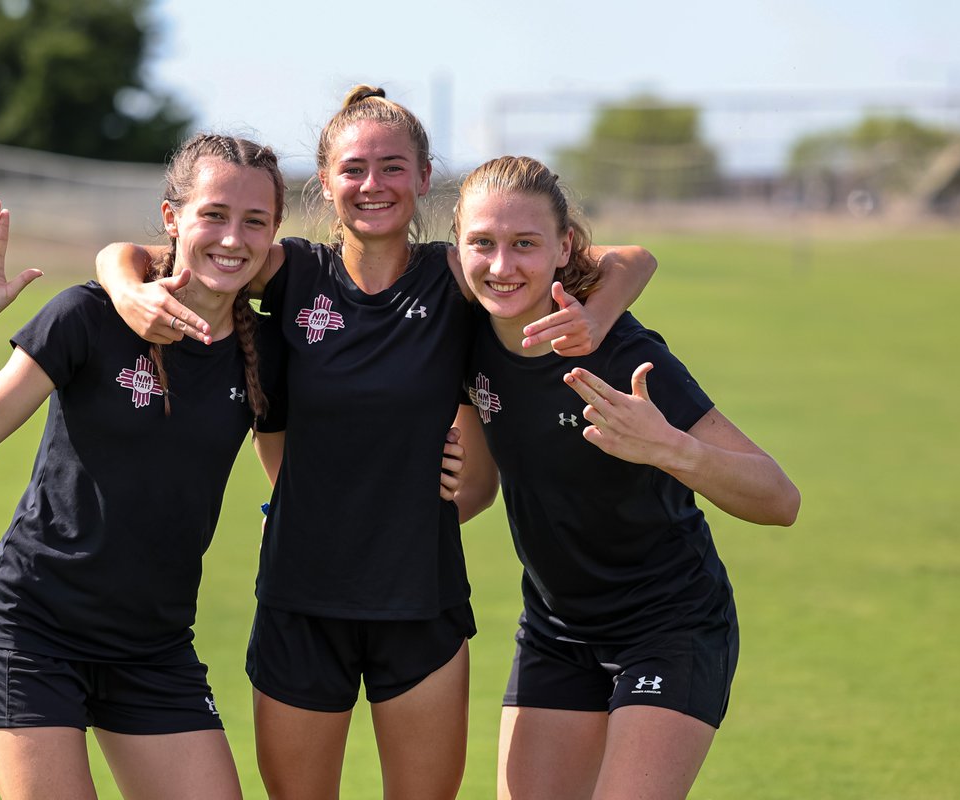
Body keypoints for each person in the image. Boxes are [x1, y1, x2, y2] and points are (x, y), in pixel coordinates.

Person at [96, 88, 658, 799]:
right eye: (354, 169)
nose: (373, 186)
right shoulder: (290, 269)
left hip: (421, 603)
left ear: (424, 178)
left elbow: (629, 259)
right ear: (325, 182)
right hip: (301, 602)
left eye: (392, 168)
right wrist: (123, 289)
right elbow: (135, 253)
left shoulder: (459, 274)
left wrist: (597, 319)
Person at [0, 134, 290, 800]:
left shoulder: (267, 347)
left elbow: (299, 468)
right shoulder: (87, 316)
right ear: (173, 219)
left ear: (274, 235)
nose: (232, 237)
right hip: (29, 630)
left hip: (152, 646)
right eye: (214, 214)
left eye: (254, 221)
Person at [453, 155, 801, 800]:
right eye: (483, 243)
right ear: (458, 246)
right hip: (556, 632)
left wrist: (671, 449)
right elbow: (476, 485)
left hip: (669, 626)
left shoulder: (623, 354)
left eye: (526, 244)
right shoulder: (463, 331)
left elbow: (780, 499)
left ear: (565, 248)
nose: (502, 266)